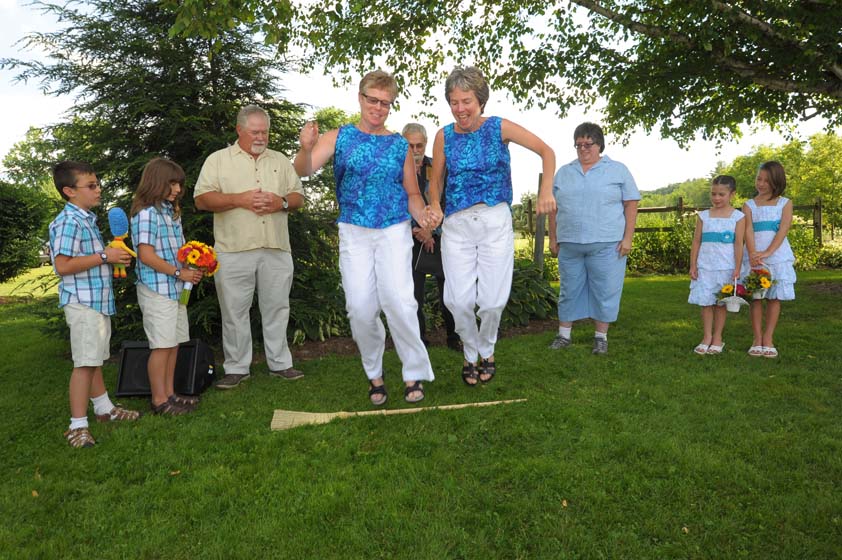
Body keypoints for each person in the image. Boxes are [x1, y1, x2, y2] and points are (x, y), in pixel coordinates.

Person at [294, 70, 438, 405]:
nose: (378, 107)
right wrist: (304, 148)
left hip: (393, 230)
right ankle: (375, 374)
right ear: (360, 98)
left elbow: (413, 195)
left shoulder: (399, 145)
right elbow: (303, 169)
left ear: (390, 105)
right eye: (372, 100)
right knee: (360, 308)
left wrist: (426, 214)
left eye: (385, 103)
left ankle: (412, 372)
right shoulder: (339, 137)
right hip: (354, 231)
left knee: (401, 303)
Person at [427, 66, 556, 386]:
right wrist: (433, 204)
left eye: (466, 101)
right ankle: (471, 353)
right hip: (456, 224)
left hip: (494, 220)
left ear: (480, 100)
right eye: (453, 102)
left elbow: (546, 151)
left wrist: (546, 189)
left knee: (493, 300)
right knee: (456, 300)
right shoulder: (444, 135)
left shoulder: (499, 128)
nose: (460, 109)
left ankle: (487, 350)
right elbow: (436, 179)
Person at [194, 105, 305, 388]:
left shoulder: (280, 160)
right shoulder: (218, 161)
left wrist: (279, 202)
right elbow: (202, 199)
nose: (261, 137)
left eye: (265, 131)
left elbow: (297, 197)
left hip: (276, 248)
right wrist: (239, 199)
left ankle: (280, 364)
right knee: (233, 311)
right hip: (233, 249)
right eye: (255, 131)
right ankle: (236, 367)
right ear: (239, 130)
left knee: (278, 307)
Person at [48, 161, 140, 448]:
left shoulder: (86, 218)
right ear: (69, 191)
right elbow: (62, 266)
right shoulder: (68, 222)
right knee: (85, 364)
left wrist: (111, 256)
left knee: (95, 359)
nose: (98, 189)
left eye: (97, 183)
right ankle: (77, 426)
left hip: (97, 302)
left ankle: (104, 409)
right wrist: (105, 257)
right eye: (91, 185)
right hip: (82, 302)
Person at [548, 122, 640, 355]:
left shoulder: (617, 170)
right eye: (578, 144)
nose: (583, 149)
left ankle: (600, 337)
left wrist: (627, 238)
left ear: (599, 144)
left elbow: (631, 204)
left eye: (588, 144)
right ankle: (563, 335)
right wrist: (553, 238)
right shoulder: (564, 172)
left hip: (607, 244)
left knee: (605, 290)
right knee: (569, 290)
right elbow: (553, 208)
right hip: (570, 244)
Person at [130, 158, 204, 414]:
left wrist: (193, 264)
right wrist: (178, 272)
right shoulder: (147, 214)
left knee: (173, 343)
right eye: (172, 184)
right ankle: (159, 400)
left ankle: (171, 394)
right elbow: (146, 256)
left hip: (175, 289)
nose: (177, 190)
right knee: (161, 346)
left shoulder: (171, 213)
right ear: (157, 182)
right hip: (157, 289)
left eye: (179, 184)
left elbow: (179, 251)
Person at [402, 122, 460, 351]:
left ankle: (454, 338)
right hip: (409, 240)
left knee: (450, 292)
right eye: (410, 146)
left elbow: (448, 202)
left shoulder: (436, 168)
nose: (416, 150)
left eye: (419, 145)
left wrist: (431, 231)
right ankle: (419, 341)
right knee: (413, 295)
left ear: (426, 144)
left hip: (439, 238)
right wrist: (415, 230)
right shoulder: (396, 169)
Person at [742, 161, 796, 358]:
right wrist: (754, 253)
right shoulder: (748, 205)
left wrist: (767, 252)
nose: (761, 183)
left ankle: (768, 338)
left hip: (777, 256)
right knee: (756, 297)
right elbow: (747, 229)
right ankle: (756, 339)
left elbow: (783, 229)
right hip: (754, 257)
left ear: (776, 181)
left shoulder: (785, 203)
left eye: (766, 180)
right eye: (759, 179)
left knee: (774, 297)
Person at [688, 176, 745, 355]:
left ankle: (718, 337)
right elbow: (696, 242)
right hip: (705, 266)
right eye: (713, 194)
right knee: (706, 303)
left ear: (732, 194)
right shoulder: (703, 216)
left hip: (726, 266)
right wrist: (693, 265)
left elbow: (738, 244)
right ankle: (706, 336)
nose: (717, 198)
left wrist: (737, 267)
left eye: (721, 194)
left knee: (721, 303)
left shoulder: (738, 217)